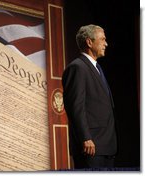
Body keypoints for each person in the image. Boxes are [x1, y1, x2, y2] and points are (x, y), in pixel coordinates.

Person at [62, 24, 117, 169]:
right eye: (102, 39)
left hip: (107, 146)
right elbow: (75, 107)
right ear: (89, 42)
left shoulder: (97, 68)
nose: (106, 43)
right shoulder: (78, 67)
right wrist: (85, 138)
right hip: (91, 147)